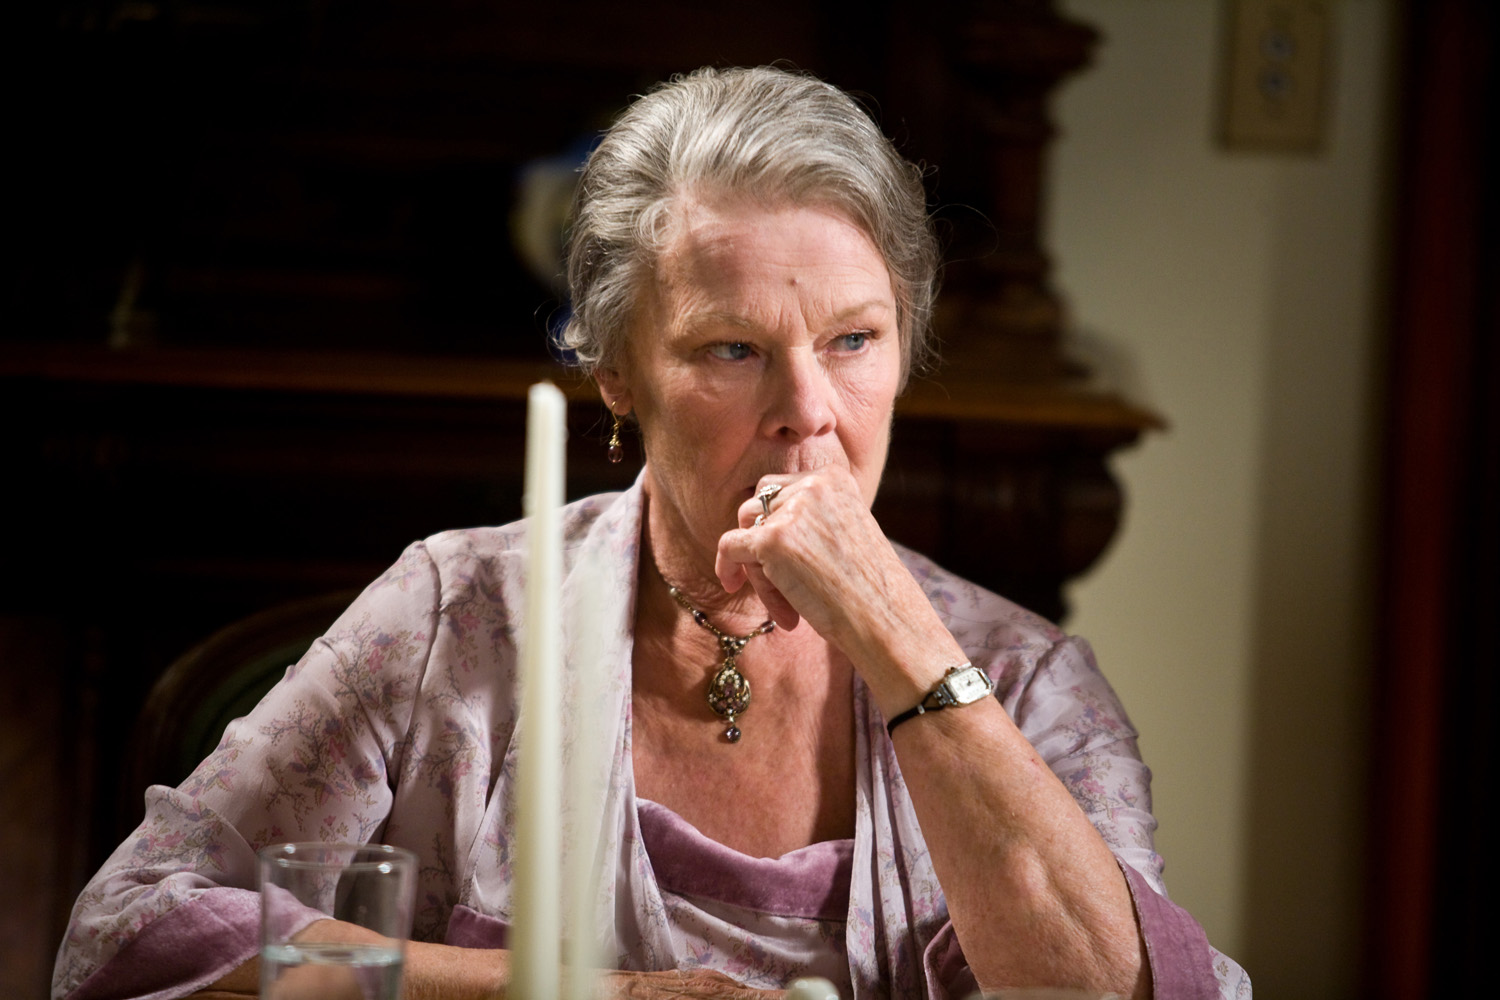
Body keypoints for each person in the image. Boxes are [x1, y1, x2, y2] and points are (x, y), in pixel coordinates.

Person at [53, 66, 1250, 1000]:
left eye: (854, 339)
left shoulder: (1030, 679)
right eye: (732, 348)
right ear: (618, 375)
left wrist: (900, 637)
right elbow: (127, 936)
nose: (809, 410)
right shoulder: (454, 617)